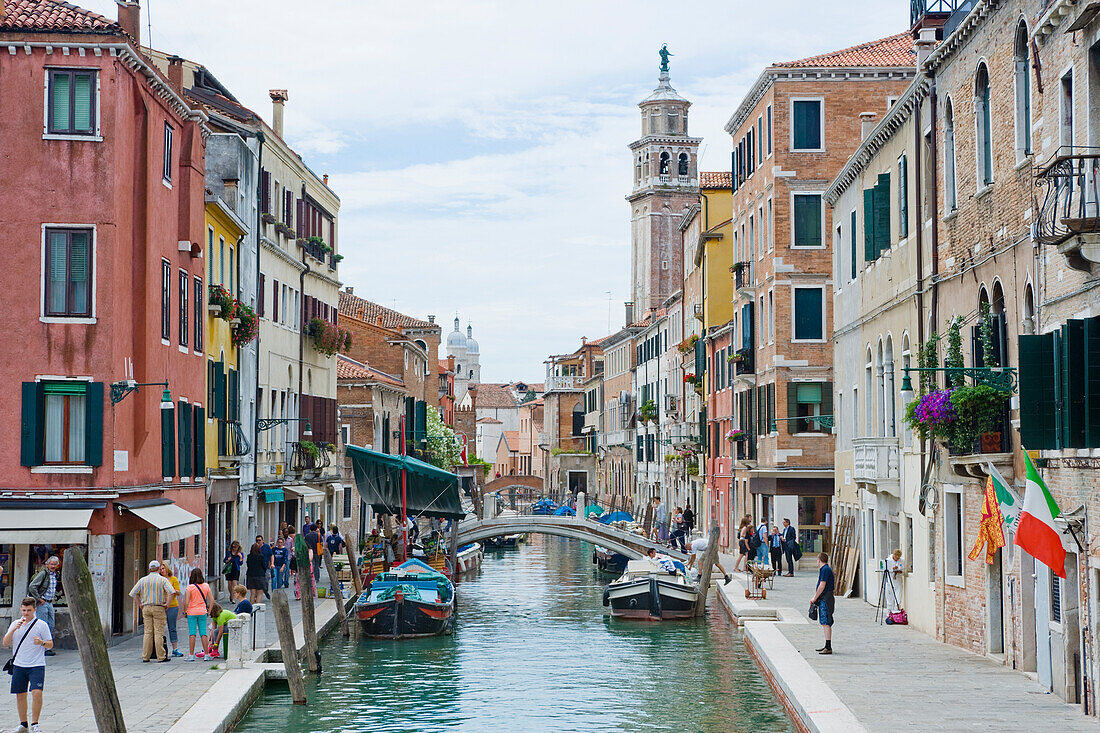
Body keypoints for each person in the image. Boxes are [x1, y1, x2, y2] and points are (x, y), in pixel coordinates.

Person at [4, 597, 52, 733]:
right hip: (19, 664)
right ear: (21, 609)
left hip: (36, 664)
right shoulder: (15, 623)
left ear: (35, 610)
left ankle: (35, 723)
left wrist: (41, 642)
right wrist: (13, 630)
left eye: (29, 610)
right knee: (20, 694)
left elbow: (50, 644)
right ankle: (23, 724)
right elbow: (5, 643)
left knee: (37, 693)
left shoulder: (41, 625)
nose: (26, 613)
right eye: (24, 610)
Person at [129, 560, 175, 663]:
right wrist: (167, 603)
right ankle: (161, 656)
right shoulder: (162, 580)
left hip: (146, 607)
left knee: (147, 632)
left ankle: (146, 656)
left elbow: (133, 593)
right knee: (158, 632)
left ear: (149, 569)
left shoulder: (143, 580)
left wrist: (140, 604)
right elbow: (171, 592)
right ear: (159, 569)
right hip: (158, 607)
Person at [25, 557, 60, 657]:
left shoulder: (55, 575)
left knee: (51, 625)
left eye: (55, 564)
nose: (53, 566)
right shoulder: (43, 574)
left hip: (49, 603)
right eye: (51, 564)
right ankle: (42, 648)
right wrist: (39, 599)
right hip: (42, 603)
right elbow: (32, 586)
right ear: (47, 565)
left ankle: (47, 646)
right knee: (43, 625)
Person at [183, 569, 211, 661]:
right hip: (203, 611)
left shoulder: (190, 588)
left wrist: (185, 611)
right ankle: (206, 654)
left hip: (191, 612)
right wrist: (209, 611)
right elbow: (212, 600)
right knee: (203, 633)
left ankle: (191, 655)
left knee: (192, 633)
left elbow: (186, 602)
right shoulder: (206, 586)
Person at [810, 552, 835, 655]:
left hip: (826, 598)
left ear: (819, 560)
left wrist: (814, 598)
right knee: (824, 621)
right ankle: (826, 645)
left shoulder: (824, 570)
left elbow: (822, 585)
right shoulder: (825, 569)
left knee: (826, 622)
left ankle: (828, 646)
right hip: (825, 598)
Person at [159, 562, 184, 657]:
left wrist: (173, 590)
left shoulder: (173, 579)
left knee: (172, 627)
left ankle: (175, 649)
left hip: (173, 606)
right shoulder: (159, 580)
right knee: (160, 628)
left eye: (163, 568)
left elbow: (178, 592)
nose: (162, 571)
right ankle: (160, 648)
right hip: (161, 605)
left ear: (167, 569)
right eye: (160, 569)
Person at [304, 523, 323, 587]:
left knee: (311, 564)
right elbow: (321, 543)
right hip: (317, 552)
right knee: (317, 565)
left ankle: (311, 577)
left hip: (309, 552)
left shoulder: (307, 536)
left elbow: (305, 544)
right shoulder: (318, 535)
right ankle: (317, 578)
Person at [886, 549, 904, 615]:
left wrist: (899, 571)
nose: (897, 559)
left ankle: (896, 613)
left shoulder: (902, 561)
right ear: (893, 555)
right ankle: (889, 614)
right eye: (896, 557)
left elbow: (903, 570)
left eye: (898, 558)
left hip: (898, 581)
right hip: (890, 581)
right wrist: (892, 569)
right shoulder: (888, 560)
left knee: (898, 598)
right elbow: (885, 571)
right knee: (890, 599)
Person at [256, 534, 274, 600]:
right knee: (258, 581)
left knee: (266, 580)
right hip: (258, 568)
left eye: (260, 540)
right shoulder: (255, 547)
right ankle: (256, 595)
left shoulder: (266, 546)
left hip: (266, 566)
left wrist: (272, 563)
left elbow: (271, 555)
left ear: (262, 540)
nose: (258, 542)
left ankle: (266, 591)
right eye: (257, 540)